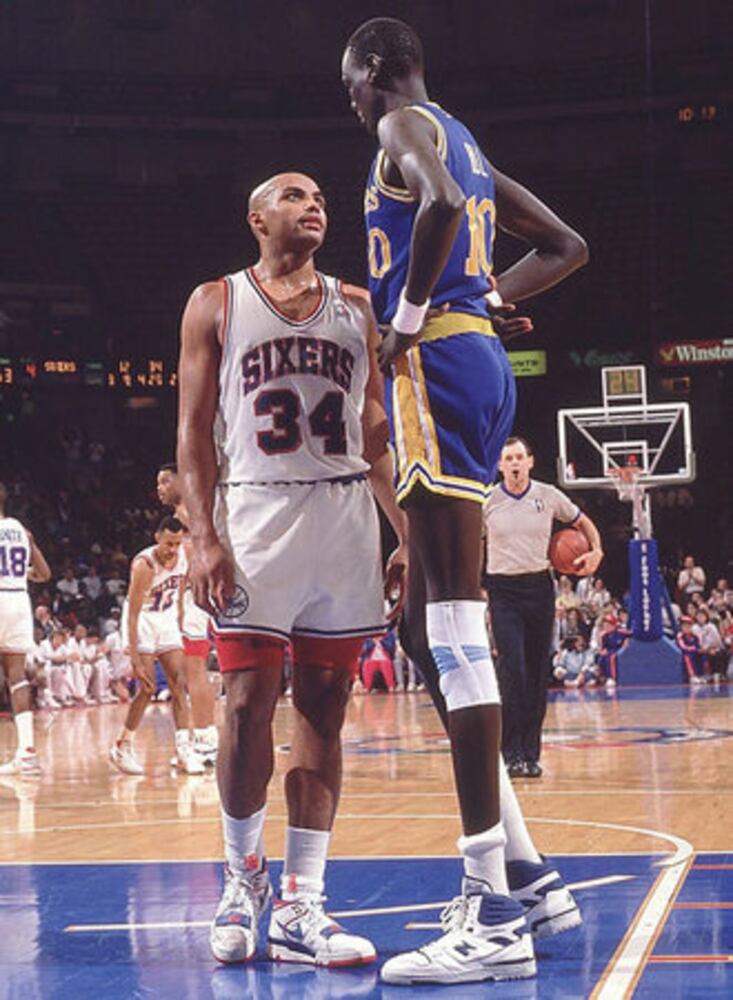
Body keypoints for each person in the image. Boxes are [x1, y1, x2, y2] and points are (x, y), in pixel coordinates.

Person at [342, 18, 588, 985]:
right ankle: (526, 871)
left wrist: (405, 322)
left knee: (450, 626)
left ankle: (489, 913)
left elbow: (439, 204)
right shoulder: (468, 141)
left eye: (351, 82)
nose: (351, 100)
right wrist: (486, 295)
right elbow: (565, 245)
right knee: (421, 625)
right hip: (474, 356)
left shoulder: (402, 126)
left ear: (374, 70)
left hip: (436, 367)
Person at [177, 171, 407, 968]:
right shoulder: (215, 301)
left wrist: (403, 530)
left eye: (320, 200)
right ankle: (243, 880)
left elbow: (375, 430)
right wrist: (203, 535)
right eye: (294, 196)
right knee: (246, 704)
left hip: (342, 515)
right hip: (254, 512)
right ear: (257, 217)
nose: (313, 206)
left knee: (325, 706)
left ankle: (302, 902)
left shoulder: (358, 306)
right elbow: (193, 431)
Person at [484, 437, 603, 778]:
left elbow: (583, 522)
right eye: (508, 458)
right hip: (502, 590)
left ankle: (531, 754)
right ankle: (510, 753)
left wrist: (596, 549)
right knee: (512, 669)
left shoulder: (548, 495)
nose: (514, 463)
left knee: (537, 673)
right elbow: (472, 545)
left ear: (530, 461)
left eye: (519, 457)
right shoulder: (487, 500)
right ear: (499, 465)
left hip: (538, 587)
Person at [109, 516, 204, 776]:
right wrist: (134, 657)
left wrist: (180, 620)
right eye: (168, 543)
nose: (172, 549)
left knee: (179, 682)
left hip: (166, 617)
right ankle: (122, 745)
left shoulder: (185, 555)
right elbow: (132, 613)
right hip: (143, 619)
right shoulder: (144, 565)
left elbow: (181, 589)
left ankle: (184, 750)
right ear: (157, 538)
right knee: (148, 688)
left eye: (177, 543)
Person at [157, 462, 218, 764]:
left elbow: (198, 553)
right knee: (188, 669)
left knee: (195, 667)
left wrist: (181, 601)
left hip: (194, 595)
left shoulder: (190, 508)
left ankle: (207, 738)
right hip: (191, 595)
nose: (160, 489)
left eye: (165, 481)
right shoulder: (184, 511)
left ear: (182, 480)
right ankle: (201, 736)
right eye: (158, 484)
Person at [0, 481, 52, 774]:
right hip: (19, 600)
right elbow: (44, 573)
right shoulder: (22, 531)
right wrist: (22, 574)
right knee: (17, 677)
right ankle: (27, 753)